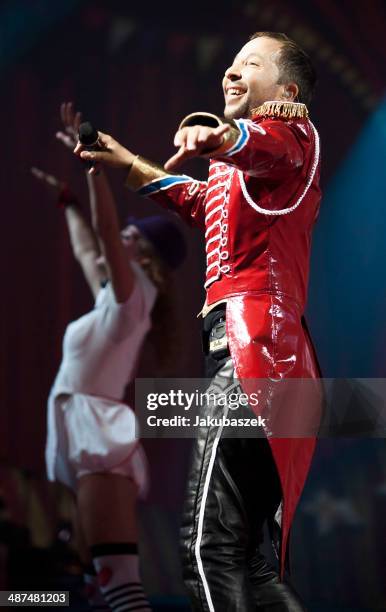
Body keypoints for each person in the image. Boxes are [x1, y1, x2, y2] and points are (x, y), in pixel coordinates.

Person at [75, 31, 322, 611]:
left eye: (249, 64)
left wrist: (220, 135)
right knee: (250, 563)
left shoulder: (291, 136)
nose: (232, 73)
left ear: (286, 90)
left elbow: (261, 143)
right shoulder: (251, 169)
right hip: (274, 359)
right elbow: (201, 201)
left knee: (207, 549)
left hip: (251, 357)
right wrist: (128, 162)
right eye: (232, 63)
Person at [32, 103, 186, 612]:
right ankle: (19, 598)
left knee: (119, 584)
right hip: (87, 431)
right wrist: (70, 203)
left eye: (130, 237)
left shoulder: (133, 291)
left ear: (143, 255)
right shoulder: (116, 299)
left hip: (99, 435)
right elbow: (87, 249)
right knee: (85, 587)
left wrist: (94, 169)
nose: (120, 238)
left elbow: (102, 236)